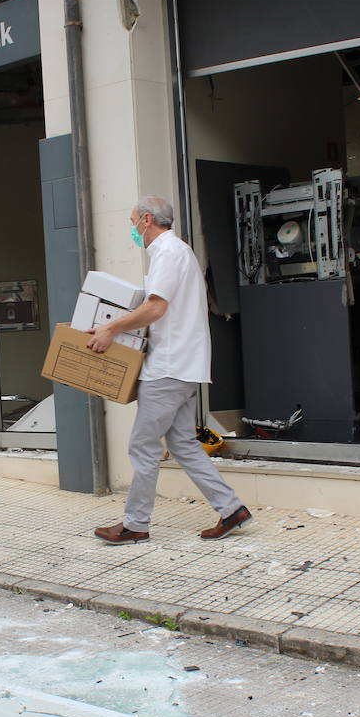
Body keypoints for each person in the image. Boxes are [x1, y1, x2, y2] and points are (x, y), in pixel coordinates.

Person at [88, 196, 252, 545]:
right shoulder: (178, 253)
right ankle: (232, 509)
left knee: (143, 445)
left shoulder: (168, 252)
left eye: (134, 222)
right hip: (183, 366)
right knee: (183, 444)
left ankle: (135, 524)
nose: (133, 229)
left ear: (147, 220)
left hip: (168, 367)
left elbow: (155, 308)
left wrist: (110, 329)